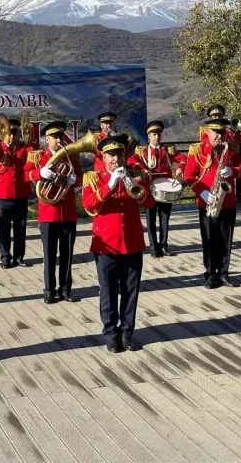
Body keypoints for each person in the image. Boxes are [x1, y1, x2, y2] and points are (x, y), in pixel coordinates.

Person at [82, 135, 155, 353]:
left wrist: (133, 184)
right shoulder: (93, 178)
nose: (116, 158)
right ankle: (111, 333)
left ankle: (127, 333)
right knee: (109, 291)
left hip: (132, 242)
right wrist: (110, 185)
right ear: (103, 157)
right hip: (106, 244)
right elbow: (89, 204)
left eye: (120, 154)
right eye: (111, 155)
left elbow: (150, 202)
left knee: (131, 292)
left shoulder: (134, 175)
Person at [183, 118, 241, 288]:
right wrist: (201, 192)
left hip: (227, 202)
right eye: (216, 133)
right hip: (207, 201)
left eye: (222, 133)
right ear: (208, 132)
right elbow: (188, 176)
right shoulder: (196, 150)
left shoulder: (230, 147)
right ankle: (211, 273)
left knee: (226, 238)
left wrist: (232, 170)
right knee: (209, 238)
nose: (220, 136)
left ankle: (224, 273)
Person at [25, 121, 82, 304]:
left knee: (67, 254)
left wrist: (75, 179)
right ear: (46, 139)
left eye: (60, 136)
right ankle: (49, 290)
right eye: (54, 137)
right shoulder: (38, 157)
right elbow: (25, 175)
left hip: (67, 213)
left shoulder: (71, 157)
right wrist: (40, 173)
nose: (58, 140)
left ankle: (65, 289)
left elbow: (80, 178)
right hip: (48, 213)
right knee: (49, 254)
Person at [128, 120, 187, 258]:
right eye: (154, 134)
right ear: (148, 136)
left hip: (165, 189)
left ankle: (164, 245)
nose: (157, 137)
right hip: (149, 189)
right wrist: (142, 169)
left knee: (165, 218)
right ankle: (154, 246)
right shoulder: (142, 152)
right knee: (151, 219)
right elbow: (132, 160)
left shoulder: (168, 150)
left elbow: (184, 158)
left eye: (159, 134)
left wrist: (180, 167)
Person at [0, 117, 32, 268]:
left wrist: (28, 138)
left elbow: (34, 153)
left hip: (20, 194)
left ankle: (19, 257)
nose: (11, 136)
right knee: (3, 229)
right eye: (8, 132)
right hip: (1, 195)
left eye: (14, 132)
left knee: (20, 228)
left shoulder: (24, 148)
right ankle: (5, 258)